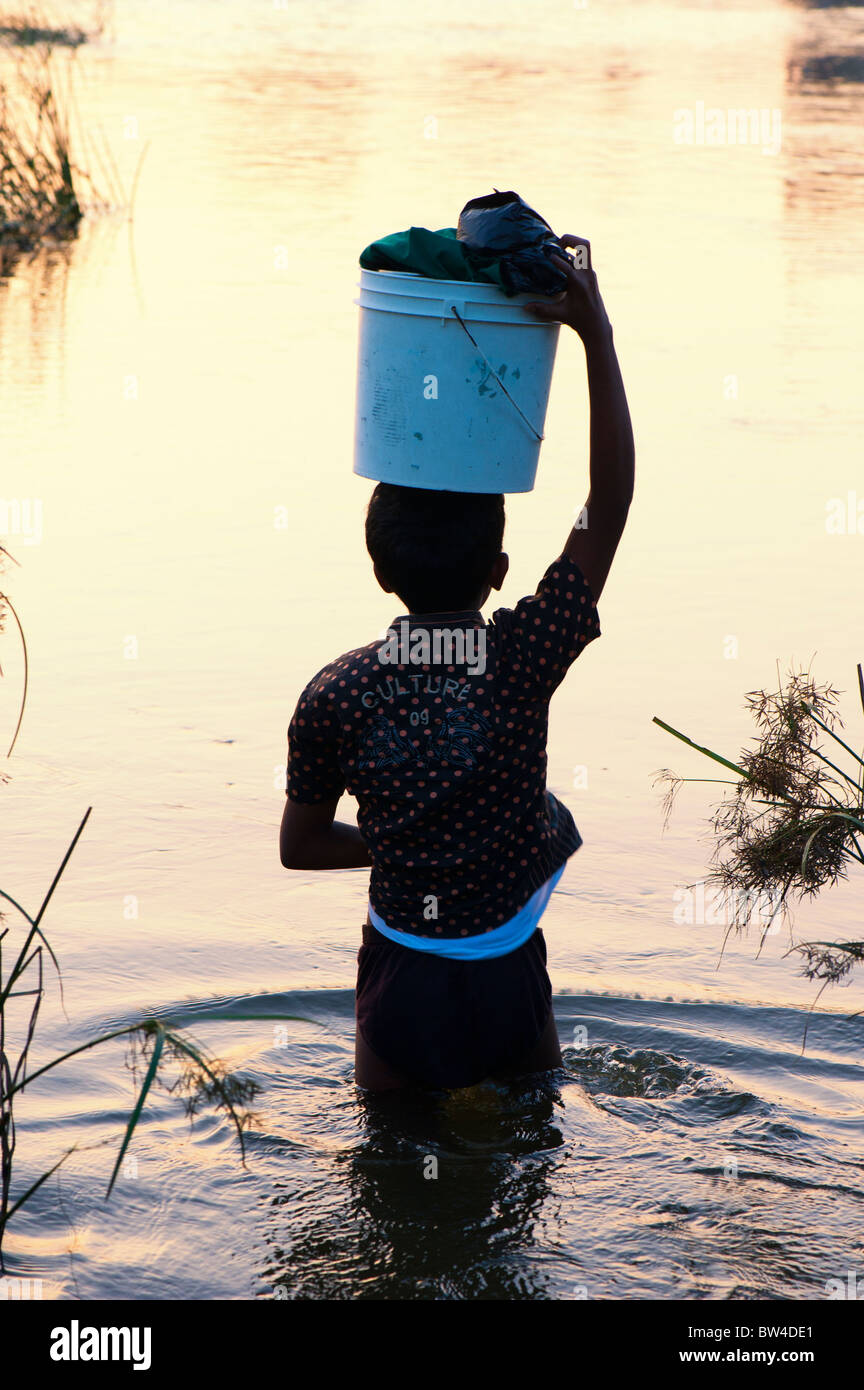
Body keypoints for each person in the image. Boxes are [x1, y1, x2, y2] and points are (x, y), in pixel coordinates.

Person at [280, 236, 635, 1090]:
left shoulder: (336, 693)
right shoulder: (523, 656)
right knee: (518, 1172)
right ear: (498, 573)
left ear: (379, 570)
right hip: (507, 981)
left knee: (391, 1181)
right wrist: (597, 334)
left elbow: (300, 847)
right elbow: (610, 502)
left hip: (404, 985)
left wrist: (410, 847)